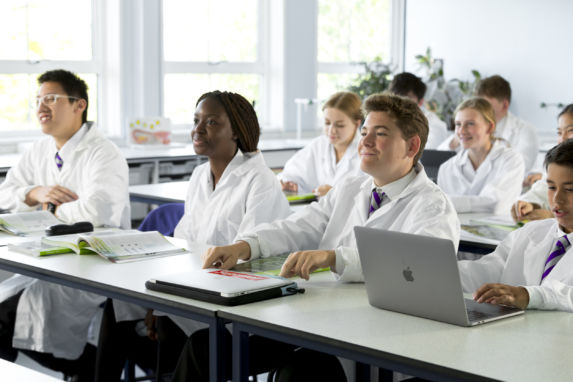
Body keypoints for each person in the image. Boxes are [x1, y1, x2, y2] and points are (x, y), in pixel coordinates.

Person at [174, 94, 460, 381]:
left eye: (381, 133)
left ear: (412, 146)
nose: (366, 142)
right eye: (364, 133)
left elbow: (423, 268)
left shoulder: (432, 206)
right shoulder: (350, 188)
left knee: (299, 373)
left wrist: (333, 258)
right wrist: (246, 245)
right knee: (206, 347)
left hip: (379, 334)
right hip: (320, 317)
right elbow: (300, 225)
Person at [97, 91, 292, 381]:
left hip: (235, 298)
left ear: (236, 132)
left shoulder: (260, 180)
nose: (197, 129)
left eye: (211, 122)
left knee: (181, 334)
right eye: (196, 120)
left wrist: (166, 299)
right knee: (119, 306)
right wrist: (156, 297)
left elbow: (247, 258)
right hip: (195, 284)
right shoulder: (201, 176)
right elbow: (185, 243)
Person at [0, 69, 130, 380]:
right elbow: (6, 192)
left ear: (78, 105)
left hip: (92, 264)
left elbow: (97, 210)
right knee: (9, 315)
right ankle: (83, 366)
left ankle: (88, 367)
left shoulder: (103, 153)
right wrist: (35, 192)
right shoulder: (40, 149)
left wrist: (48, 209)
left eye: (52, 99)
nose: (41, 107)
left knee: (8, 320)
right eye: (38, 100)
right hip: (47, 257)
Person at [459, 139, 573, 312]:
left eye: (570, 189)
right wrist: (435, 272)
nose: (557, 199)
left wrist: (528, 295)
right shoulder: (531, 232)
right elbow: (487, 270)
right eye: (551, 187)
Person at [437, 97, 525, 214]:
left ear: (490, 127)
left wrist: (446, 202)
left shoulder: (511, 160)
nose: (462, 131)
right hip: (455, 231)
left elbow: (494, 203)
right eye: (458, 124)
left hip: (498, 231)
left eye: (470, 124)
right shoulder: (446, 168)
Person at [441, 75, 539, 175]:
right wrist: (455, 142)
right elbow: (436, 161)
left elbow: (518, 168)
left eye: (486, 105)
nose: (479, 110)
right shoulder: (466, 128)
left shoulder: (525, 131)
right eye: (478, 105)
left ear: (504, 105)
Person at [278, 91, 363, 196]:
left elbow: (369, 196)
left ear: (356, 124)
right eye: (327, 123)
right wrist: (292, 185)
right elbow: (291, 172)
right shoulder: (318, 145)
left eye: (340, 125)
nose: (331, 130)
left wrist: (335, 194)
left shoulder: (366, 151)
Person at [512, 104, 573, 223]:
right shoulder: (558, 166)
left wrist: (552, 217)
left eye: (571, 131)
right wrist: (528, 205)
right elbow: (539, 193)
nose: (563, 138)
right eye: (559, 133)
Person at [389, 72, 449, 149]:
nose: (399, 104)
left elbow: (427, 156)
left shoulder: (434, 126)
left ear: (420, 102)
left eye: (406, 99)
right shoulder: (385, 120)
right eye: (395, 98)